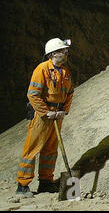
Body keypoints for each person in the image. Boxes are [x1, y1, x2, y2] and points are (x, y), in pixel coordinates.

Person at [16, 38, 74, 198]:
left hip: (57, 115)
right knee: (32, 148)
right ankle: (23, 185)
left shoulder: (65, 72)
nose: (66, 53)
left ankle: (46, 182)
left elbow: (69, 94)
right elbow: (33, 95)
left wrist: (64, 110)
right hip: (43, 117)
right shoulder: (42, 69)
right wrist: (44, 112)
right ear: (54, 53)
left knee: (50, 151)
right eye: (63, 51)